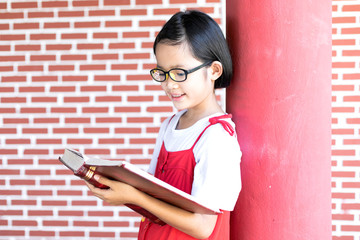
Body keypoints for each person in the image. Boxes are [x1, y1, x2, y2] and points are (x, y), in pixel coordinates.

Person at [86, 10, 241, 240]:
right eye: (162, 72)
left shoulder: (217, 136)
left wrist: (134, 197)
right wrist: (120, 186)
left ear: (214, 70)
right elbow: (155, 194)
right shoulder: (170, 125)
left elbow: (204, 227)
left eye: (179, 73)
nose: (169, 85)